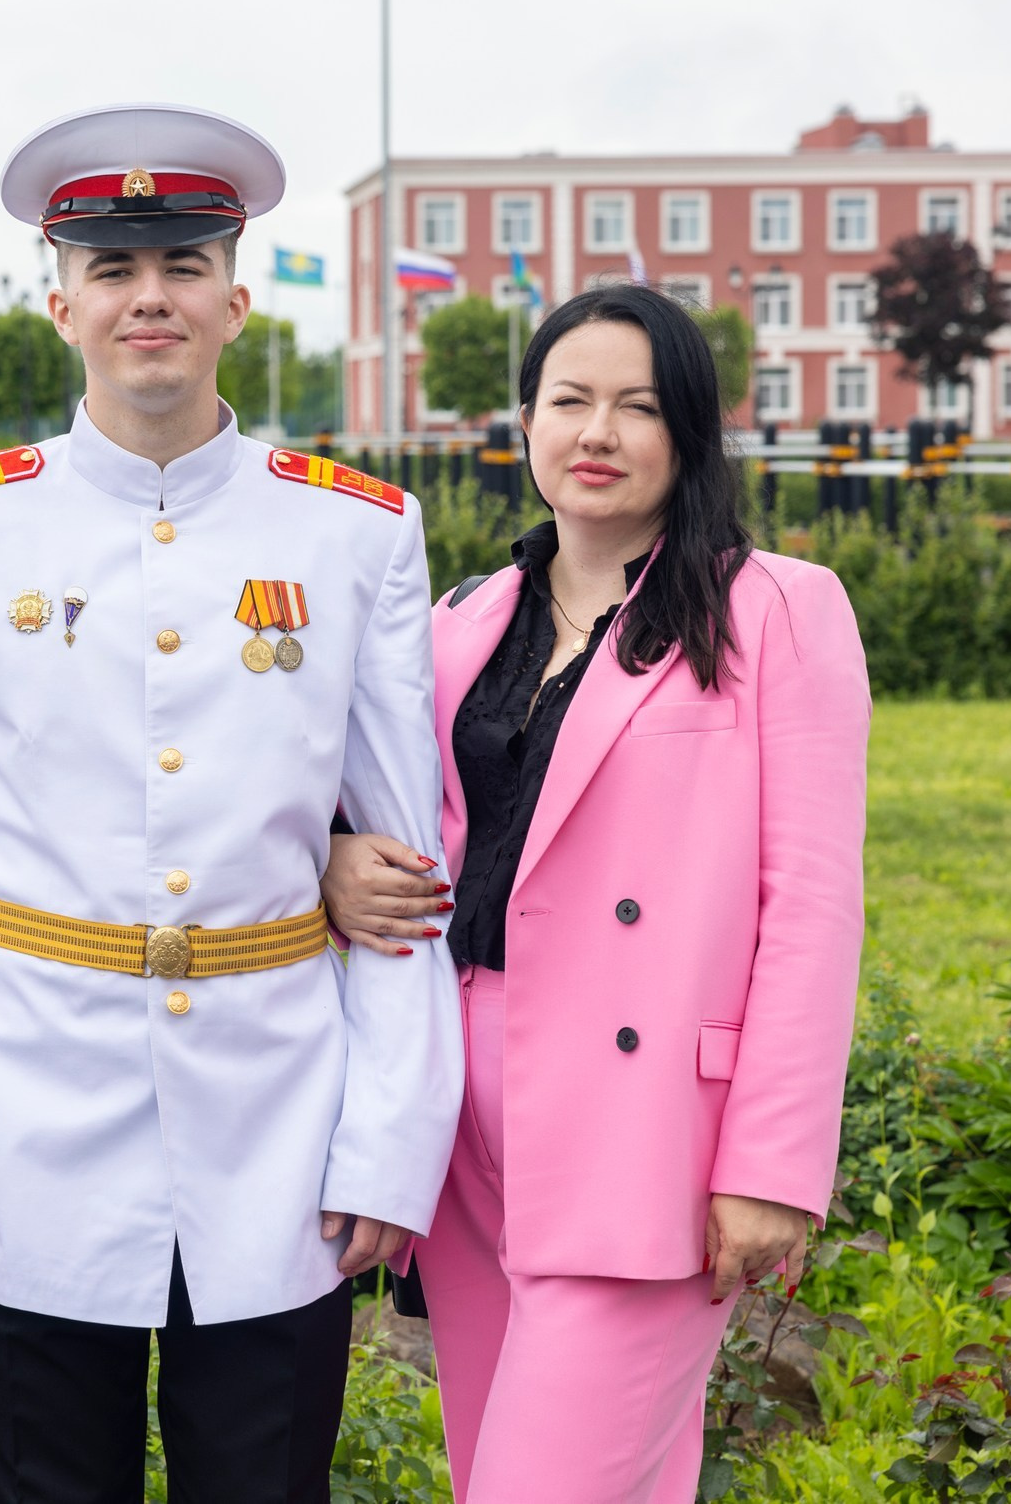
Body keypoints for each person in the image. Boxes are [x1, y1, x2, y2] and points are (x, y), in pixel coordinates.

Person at [0, 103, 463, 1504]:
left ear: (236, 300)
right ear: (58, 300)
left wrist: (388, 1140)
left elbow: (404, 868)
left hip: (280, 1124)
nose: (150, 297)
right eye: (114, 269)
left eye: (184, 264)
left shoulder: (352, 530)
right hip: (29, 1121)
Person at [323, 282, 871, 1502]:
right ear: (522, 423)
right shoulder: (463, 620)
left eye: (635, 405)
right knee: (522, 1472)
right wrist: (334, 856)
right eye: (568, 400)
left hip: (647, 1134)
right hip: (461, 1109)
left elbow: (813, 905)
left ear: (687, 432)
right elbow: (387, 820)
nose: (597, 432)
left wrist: (772, 1164)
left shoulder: (774, 609)